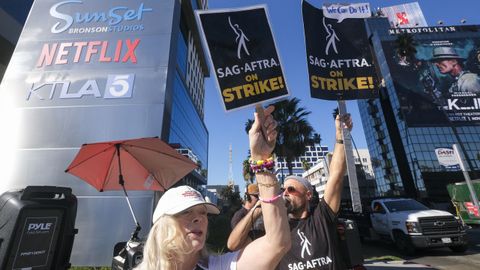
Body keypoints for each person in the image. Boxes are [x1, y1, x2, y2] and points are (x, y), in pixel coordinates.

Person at [136, 105, 291, 270]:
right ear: (161, 225)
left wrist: (260, 159)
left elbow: (277, 243)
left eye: (203, 212)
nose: (200, 219)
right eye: (186, 212)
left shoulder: (218, 266)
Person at [227, 113, 353, 270]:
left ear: (308, 195)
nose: (285, 193)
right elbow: (233, 244)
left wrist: (340, 136)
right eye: (282, 190)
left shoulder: (321, 218)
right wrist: (258, 208)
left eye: (291, 189)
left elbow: (336, 176)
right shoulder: (274, 230)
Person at [228, 183, 265, 250]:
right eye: (256, 196)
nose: (259, 199)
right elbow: (236, 240)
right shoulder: (239, 215)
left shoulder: (260, 212)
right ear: (247, 197)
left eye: (260, 197)